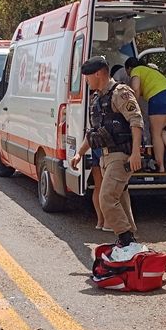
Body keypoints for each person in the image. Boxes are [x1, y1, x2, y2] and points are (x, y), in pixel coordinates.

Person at [69, 56, 142, 247]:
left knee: (107, 197)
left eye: (87, 77)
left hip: (121, 156)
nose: (86, 81)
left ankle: (125, 240)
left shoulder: (120, 92)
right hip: (105, 156)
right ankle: (131, 242)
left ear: (99, 73)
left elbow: (136, 121)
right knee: (120, 198)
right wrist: (79, 153)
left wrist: (135, 153)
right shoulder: (97, 98)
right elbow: (93, 132)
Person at [124, 57, 166, 173]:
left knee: (154, 133)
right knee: (160, 130)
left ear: (129, 68)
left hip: (159, 98)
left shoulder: (136, 70)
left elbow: (135, 88)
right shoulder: (150, 71)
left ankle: (160, 167)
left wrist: (131, 109)